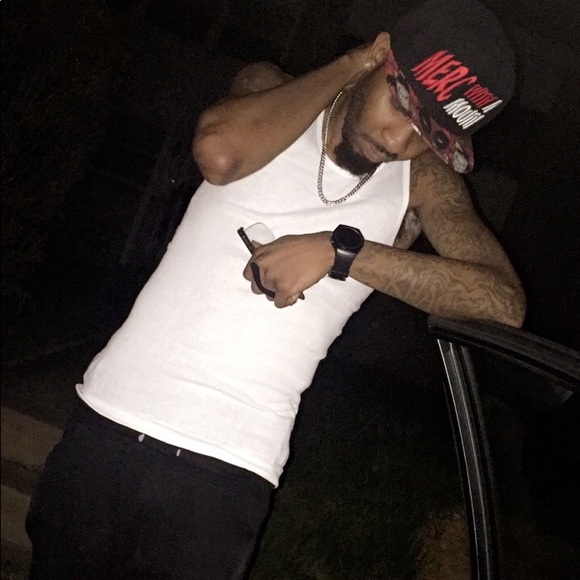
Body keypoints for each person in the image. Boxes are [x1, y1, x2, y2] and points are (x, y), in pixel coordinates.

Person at [25, 0, 526, 578]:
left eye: (429, 134)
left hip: (226, 473)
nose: (399, 140)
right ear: (380, 56)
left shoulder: (422, 182)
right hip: (109, 422)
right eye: (400, 103)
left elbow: (503, 304)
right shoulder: (271, 91)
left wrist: (341, 254)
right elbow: (218, 153)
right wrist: (351, 63)